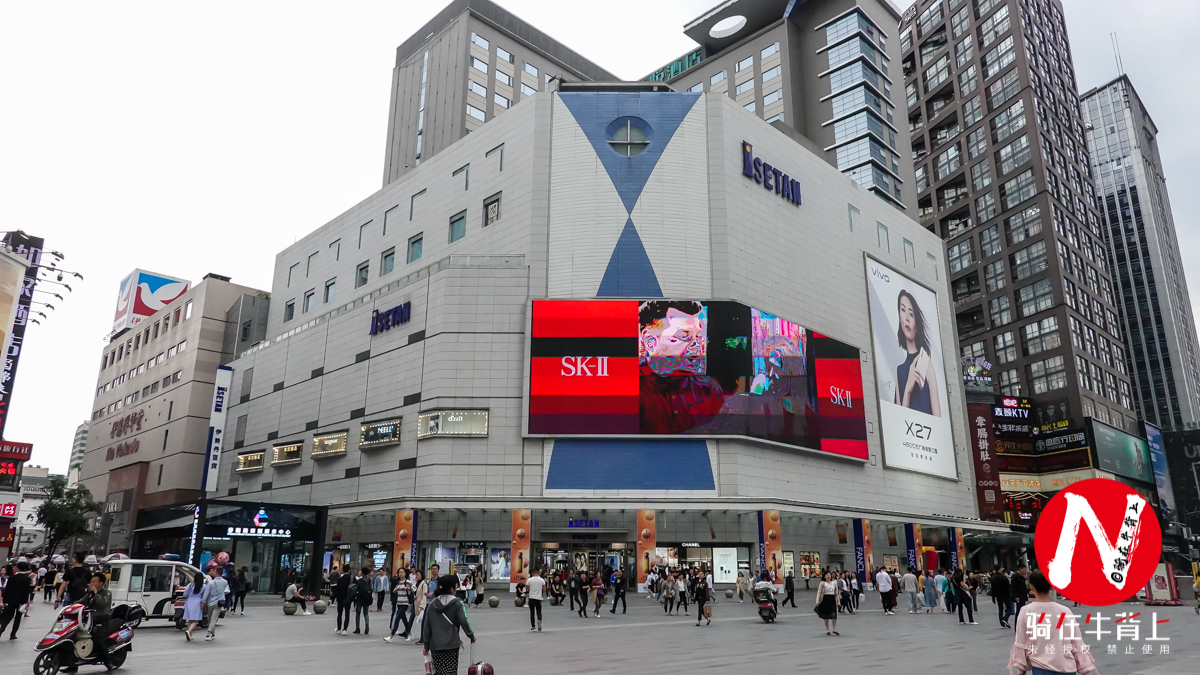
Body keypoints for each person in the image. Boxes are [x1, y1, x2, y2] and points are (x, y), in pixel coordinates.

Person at [1007, 572, 1098, 675]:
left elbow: (1022, 642)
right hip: (1066, 667)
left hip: (1040, 667)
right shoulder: (1064, 611)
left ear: (1031, 588)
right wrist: (1085, 669)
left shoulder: (1026, 611)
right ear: (1051, 587)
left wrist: (1021, 669)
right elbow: (1076, 641)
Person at [893, 289, 942, 417]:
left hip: (928, 434)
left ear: (917, 325)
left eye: (911, 314)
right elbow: (899, 420)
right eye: (903, 310)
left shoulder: (927, 365)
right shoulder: (899, 371)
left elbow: (938, 418)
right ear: (899, 317)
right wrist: (908, 390)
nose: (907, 318)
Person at [421, 575, 476, 675]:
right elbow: (464, 620)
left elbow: (427, 627)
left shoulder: (432, 604)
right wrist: (471, 635)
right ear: (451, 589)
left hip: (435, 645)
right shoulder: (457, 603)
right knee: (450, 671)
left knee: (439, 671)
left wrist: (426, 645)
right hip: (451, 645)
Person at [0, 560, 32, 639]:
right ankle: (13, 634)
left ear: (17, 568)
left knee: (8, 617)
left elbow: (7, 590)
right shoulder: (27, 579)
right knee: (18, 618)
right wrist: (26, 602)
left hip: (11, 600)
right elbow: (27, 591)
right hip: (21, 601)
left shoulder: (11, 578)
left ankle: (1, 630)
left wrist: (4, 600)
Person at [384, 568, 413, 642]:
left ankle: (391, 636)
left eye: (402, 572)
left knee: (397, 618)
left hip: (405, 603)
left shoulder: (407, 582)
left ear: (405, 573)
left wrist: (407, 588)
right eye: (399, 572)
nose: (401, 574)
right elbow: (394, 590)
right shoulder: (398, 582)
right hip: (399, 602)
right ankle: (409, 634)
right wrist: (395, 590)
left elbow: (413, 589)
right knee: (404, 620)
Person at [203, 566, 229, 640]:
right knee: (213, 619)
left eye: (214, 571)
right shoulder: (225, 582)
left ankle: (208, 634)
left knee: (210, 618)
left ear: (217, 573)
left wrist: (203, 601)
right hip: (219, 602)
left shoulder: (210, 583)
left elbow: (206, 594)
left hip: (210, 602)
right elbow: (226, 591)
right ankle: (213, 633)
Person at [182, 571, 206, 641]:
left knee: (190, 620)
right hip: (198, 602)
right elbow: (204, 595)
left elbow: (185, 594)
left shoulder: (190, 585)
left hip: (189, 601)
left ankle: (190, 634)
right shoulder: (204, 586)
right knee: (195, 620)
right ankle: (188, 632)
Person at [815, 571, 839, 636]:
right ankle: (827, 630)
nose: (828, 576)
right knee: (826, 616)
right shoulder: (822, 583)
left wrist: (838, 601)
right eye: (827, 575)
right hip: (825, 599)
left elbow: (836, 593)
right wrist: (817, 600)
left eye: (829, 575)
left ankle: (834, 629)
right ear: (824, 576)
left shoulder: (834, 583)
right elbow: (819, 592)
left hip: (832, 599)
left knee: (834, 615)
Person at [1010, 565, 1030, 631]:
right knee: (1019, 611)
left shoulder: (1021, 576)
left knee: (1021, 611)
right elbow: (1013, 587)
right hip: (1019, 596)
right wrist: (1016, 596)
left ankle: (1021, 626)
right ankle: (1017, 627)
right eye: (1024, 569)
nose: (1025, 571)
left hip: (1023, 596)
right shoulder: (1015, 576)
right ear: (1020, 569)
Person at [353, 567, 373, 634]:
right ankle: (367, 628)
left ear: (362, 572)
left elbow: (357, 590)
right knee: (366, 614)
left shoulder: (359, 581)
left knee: (358, 613)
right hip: (367, 598)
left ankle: (357, 628)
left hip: (360, 598)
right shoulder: (369, 580)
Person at [333, 566, 352, 635]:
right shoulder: (351, 579)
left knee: (339, 614)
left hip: (340, 598)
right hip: (348, 598)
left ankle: (339, 628)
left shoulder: (340, 579)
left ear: (343, 570)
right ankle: (345, 629)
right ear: (349, 570)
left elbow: (337, 589)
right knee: (347, 614)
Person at [411, 570, 428, 643]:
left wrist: (422, 605)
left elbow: (424, 596)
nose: (416, 576)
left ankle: (423, 638)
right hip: (415, 604)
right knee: (411, 618)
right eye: (416, 574)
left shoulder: (424, 584)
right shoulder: (416, 583)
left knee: (423, 622)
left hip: (420, 605)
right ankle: (407, 632)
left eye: (418, 574)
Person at [527, 567, 546, 631]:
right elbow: (544, 589)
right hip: (538, 598)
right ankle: (539, 620)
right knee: (539, 611)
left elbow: (527, 589)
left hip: (531, 597)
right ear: (538, 573)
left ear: (532, 573)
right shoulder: (542, 580)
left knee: (532, 612)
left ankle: (533, 625)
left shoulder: (529, 580)